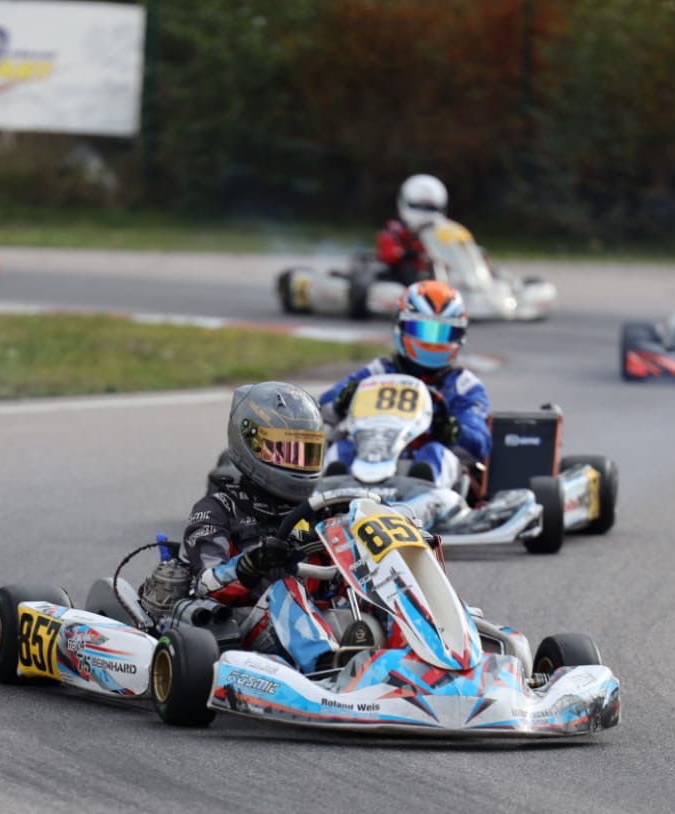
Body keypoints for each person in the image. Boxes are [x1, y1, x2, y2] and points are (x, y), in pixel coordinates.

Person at [182, 382, 338, 672]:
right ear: (249, 442)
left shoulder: (318, 512)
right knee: (286, 588)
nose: (297, 463)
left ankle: (422, 657)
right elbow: (205, 585)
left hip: (315, 616)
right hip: (242, 622)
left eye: (306, 453)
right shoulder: (217, 509)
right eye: (285, 451)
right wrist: (250, 565)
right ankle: (327, 666)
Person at [319, 280, 491, 491]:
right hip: (371, 455)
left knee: (436, 454)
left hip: (426, 467)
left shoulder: (464, 386)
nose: (433, 343)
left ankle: (424, 500)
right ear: (401, 327)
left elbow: (480, 444)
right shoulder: (377, 372)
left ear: (459, 337)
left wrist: (451, 429)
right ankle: (330, 501)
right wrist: (341, 401)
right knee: (341, 449)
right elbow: (322, 410)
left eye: (443, 334)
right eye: (424, 330)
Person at [374, 174, 448, 286]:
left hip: (438, 275)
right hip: (406, 277)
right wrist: (409, 254)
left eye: (430, 208)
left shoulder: (444, 232)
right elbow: (388, 253)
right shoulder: (395, 230)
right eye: (419, 206)